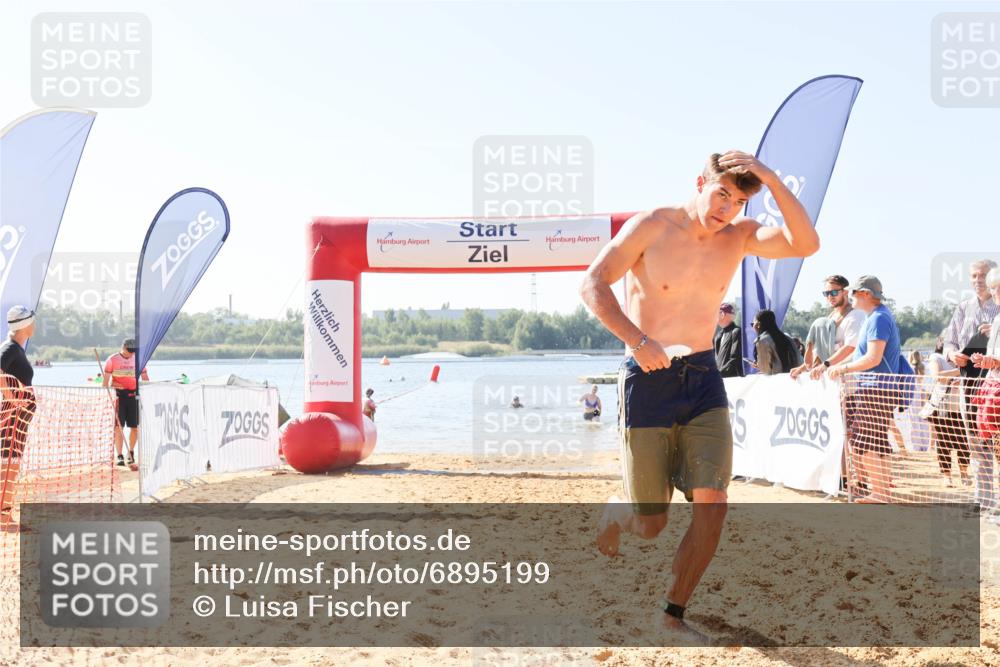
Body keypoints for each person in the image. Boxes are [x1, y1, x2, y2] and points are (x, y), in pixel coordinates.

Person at [580, 150, 818, 640]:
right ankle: (620, 512)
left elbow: (806, 244)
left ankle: (671, 613)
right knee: (652, 524)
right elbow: (592, 284)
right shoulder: (652, 225)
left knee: (714, 502)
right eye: (721, 194)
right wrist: (638, 341)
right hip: (647, 377)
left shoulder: (740, 236)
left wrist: (771, 178)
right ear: (699, 183)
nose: (726, 209)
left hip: (704, 377)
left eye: (738, 202)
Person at [825, 276, 902, 503]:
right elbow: (867, 356)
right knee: (877, 440)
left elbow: (873, 358)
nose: (851, 296)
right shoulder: (878, 316)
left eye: (855, 292)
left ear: (866, 294)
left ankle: (879, 491)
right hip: (878, 387)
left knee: (863, 441)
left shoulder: (878, 318)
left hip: (874, 388)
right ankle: (882, 492)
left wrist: (842, 369)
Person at [943, 259, 1000, 512]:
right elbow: (949, 341)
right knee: (976, 440)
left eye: (983, 275)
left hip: (994, 381)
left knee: (997, 442)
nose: (978, 280)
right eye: (974, 276)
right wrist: (951, 354)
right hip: (969, 382)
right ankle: (983, 498)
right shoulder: (963, 307)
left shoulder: (999, 307)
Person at [0, 306, 37, 532]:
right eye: (33, 321)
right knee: (9, 463)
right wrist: (12, 398)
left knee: (12, 462)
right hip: (13, 416)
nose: (35, 325)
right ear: (25, 325)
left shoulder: (16, 348)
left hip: (19, 418)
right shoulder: (10, 347)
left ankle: (5, 513)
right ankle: (3, 516)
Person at [791, 275, 867, 380]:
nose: (830, 297)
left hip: (850, 378)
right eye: (826, 293)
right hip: (831, 377)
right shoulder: (831, 317)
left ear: (845, 292)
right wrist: (802, 368)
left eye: (834, 292)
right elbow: (821, 351)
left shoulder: (856, 315)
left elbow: (851, 348)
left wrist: (825, 365)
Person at [970, 267, 1000, 517]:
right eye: (993, 288)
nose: (995, 292)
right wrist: (986, 361)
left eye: (999, 287)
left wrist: (993, 361)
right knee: (996, 449)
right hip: (993, 389)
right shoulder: (997, 320)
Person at [924, 335, 970, 487]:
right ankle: (947, 476)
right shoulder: (936, 357)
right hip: (943, 406)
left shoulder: (963, 358)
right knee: (944, 443)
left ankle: (964, 474)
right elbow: (937, 376)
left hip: (962, 406)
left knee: (964, 442)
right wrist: (959, 372)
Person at [103, 338, 149, 467]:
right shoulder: (112, 360)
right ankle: (119, 455)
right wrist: (114, 385)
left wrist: (147, 389)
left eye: (134, 351)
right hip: (119, 397)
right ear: (123, 347)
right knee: (119, 427)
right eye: (129, 350)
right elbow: (105, 384)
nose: (131, 353)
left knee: (135, 427)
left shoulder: (139, 359)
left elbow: (145, 379)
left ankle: (131, 452)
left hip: (134, 396)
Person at [751, 309, 799, 375]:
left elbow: (765, 370)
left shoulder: (762, 341)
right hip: (792, 376)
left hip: (776, 379)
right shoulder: (788, 338)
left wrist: (759, 365)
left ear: (758, 325)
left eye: (752, 324)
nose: (753, 327)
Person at [712, 303, 743, 378]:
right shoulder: (719, 335)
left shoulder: (736, 332)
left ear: (722, 314)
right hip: (721, 378)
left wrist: (718, 374)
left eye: (717, 314)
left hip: (732, 379)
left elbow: (735, 359)